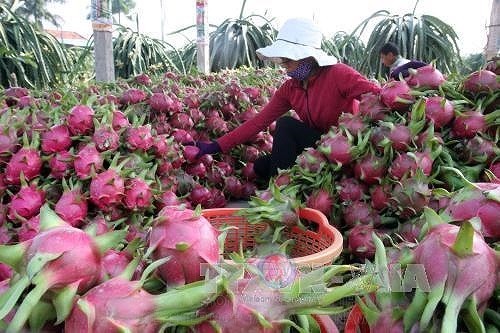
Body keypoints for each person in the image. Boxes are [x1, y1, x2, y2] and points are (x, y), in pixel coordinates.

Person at [196, 17, 380, 181]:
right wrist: (215, 146)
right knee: (261, 166)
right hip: (317, 146)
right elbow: (258, 122)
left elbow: (378, 96)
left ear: (308, 57)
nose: (285, 68)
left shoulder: (338, 74)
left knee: (285, 125)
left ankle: (280, 193)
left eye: (288, 61)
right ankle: (291, 182)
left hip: (343, 147)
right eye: (283, 62)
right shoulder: (291, 88)